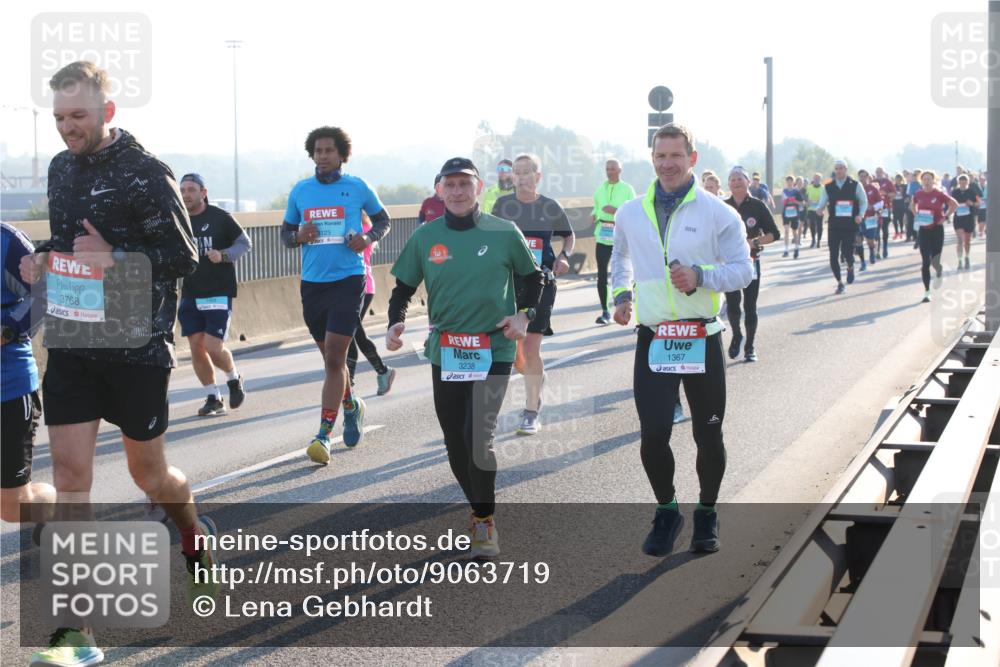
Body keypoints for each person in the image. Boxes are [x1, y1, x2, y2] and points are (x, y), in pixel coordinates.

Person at [21, 61, 219, 666]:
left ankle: (193, 536)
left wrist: (118, 257)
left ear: (108, 112)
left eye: (77, 116)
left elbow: (184, 257)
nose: (66, 128)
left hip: (136, 350)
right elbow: (73, 243)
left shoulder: (146, 171)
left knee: (150, 479)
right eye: (58, 118)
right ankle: (73, 630)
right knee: (73, 481)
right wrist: (46, 261)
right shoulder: (60, 169)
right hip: (74, 344)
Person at [386, 157, 543, 558]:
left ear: (480, 187)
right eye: (450, 184)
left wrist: (523, 315)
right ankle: (477, 506)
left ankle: (484, 519)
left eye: (465, 184)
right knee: (455, 441)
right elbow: (403, 286)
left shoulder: (505, 232)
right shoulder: (426, 237)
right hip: (448, 350)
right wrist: (395, 322)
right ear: (439, 189)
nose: (457, 191)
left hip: (495, 347)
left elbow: (533, 277)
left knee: (479, 438)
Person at [611, 123, 753, 556]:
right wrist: (619, 293)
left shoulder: (717, 212)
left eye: (676, 156)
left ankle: (706, 512)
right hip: (654, 338)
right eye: (660, 156)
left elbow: (744, 270)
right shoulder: (631, 212)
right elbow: (620, 256)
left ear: (692, 158)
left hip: (701, 337)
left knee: (709, 436)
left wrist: (702, 277)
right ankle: (668, 510)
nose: (667, 164)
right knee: (653, 434)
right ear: (651, 159)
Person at [281, 125, 391, 463]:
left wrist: (368, 239)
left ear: (341, 155)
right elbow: (285, 235)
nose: (323, 156)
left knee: (334, 357)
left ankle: (324, 435)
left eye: (329, 150)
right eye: (318, 151)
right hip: (313, 284)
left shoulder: (357, 187)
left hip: (349, 279)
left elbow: (383, 221)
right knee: (332, 360)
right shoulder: (301, 191)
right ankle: (352, 405)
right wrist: (300, 235)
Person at [492, 154, 575, 436]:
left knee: (530, 349)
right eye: (517, 172)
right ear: (511, 177)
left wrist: (564, 256)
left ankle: (531, 410)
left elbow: (569, 235)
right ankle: (535, 378)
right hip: (508, 284)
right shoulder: (503, 206)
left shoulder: (549, 206)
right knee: (516, 355)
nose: (522, 176)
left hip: (540, 283)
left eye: (528, 172)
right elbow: (489, 238)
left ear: (538, 177)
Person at [177, 173, 251, 417]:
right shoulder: (179, 219)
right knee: (196, 347)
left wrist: (224, 255)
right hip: (190, 291)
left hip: (218, 291)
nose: (186, 194)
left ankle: (233, 377)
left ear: (203, 192)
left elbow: (244, 243)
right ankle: (213, 397)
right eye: (183, 190)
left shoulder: (220, 218)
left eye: (191, 189)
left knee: (212, 346)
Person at [1, 223, 56, 524]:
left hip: (8, 387)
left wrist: (7, 330)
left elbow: (43, 294)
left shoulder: (8, 243)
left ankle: (55, 513)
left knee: (13, 507)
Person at [725, 167, 780, 362]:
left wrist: (754, 243)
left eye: (739, 179)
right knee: (732, 305)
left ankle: (750, 347)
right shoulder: (723, 206)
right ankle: (737, 334)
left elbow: (775, 233)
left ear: (748, 181)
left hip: (752, 261)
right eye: (732, 179)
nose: (736, 182)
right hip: (729, 263)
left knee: (750, 305)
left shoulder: (757, 206)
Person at [347, 214, 396, 395]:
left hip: (363, 287)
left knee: (351, 333)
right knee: (354, 333)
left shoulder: (364, 229)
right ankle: (383, 371)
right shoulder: (357, 226)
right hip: (352, 288)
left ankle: (349, 382)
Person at [591, 158, 636, 325]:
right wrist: (593, 216)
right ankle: (605, 311)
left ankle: (626, 304)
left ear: (620, 170)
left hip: (621, 236)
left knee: (623, 273)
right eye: (607, 168)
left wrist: (615, 210)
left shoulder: (627, 189)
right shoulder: (599, 190)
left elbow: (632, 212)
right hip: (603, 235)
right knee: (602, 274)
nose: (609, 171)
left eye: (613, 169)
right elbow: (596, 208)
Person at [815, 159, 868, 294]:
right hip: (834, 225)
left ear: (846, 169)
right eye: (836, 168)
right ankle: (839, 282)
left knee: (847, 253)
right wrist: (819, 209)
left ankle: (850, 266)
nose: (838, 171)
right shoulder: (829, 187)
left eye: (841, 168)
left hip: (850, 225)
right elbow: (822, 202)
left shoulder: (855, 185)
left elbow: (863, 201)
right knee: (833, 255)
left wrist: (860, 215)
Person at [911, 170, 959, 303]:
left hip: (937, 230)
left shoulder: (938, 194)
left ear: (933, 181)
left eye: (929, 179)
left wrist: (945, 217)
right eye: (924, 179)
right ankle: (927, 292)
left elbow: (954, 204)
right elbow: (912, 205)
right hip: (923, 231)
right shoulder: (918, 193)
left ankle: (939, 271)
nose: (926, 181)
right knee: (925, 262)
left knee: (935, 261)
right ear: (921, 181)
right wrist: (916, 215)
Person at [950, 173, 980, 271]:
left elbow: (979, 203)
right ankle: (959, 261)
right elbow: (950, 203)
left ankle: (967, 257)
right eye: (961, 182)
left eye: (964, 181)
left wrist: (972, 203)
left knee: (967, 242)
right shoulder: (955, 192)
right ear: (958, 182)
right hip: (958, 218)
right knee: (959, 240)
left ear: (968, 182)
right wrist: (953, 207)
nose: (962, 183)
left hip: (969, 218)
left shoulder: (972, 191)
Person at [857, 170, 883, 267]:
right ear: (859, 177)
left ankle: (872, 251)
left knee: (870, 241)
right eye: (861, 176)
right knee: (858, 239)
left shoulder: (873, 188)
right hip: (859, 218)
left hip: (871, 217)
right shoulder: (856, 189)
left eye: (864, 176)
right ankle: (863, 261)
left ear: (867, 177)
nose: (863, 178)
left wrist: (872, 207)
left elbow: (881, 202)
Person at [874, 167, 896, 258]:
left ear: (883, 172)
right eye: (877, 172)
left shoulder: (888, 182)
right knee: (876, 230)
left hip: (885, 208)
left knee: (885, 230)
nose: (879, 173)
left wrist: (885, 193)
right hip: (875, 209)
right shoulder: (873, 182)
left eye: (880, 172)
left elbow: (894, 194)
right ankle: (877, 250)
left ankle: (885, 248)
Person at [780, 175, 804, 259]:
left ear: (793, 182)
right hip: (786, 213)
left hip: (794, 214)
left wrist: (795, 201)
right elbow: (782, 202)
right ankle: (786, 250)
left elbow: (802, 203)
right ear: (786, 182)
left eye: (791, 181)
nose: (789, 183)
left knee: (794, 231)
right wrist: (785, 201)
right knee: (786, 230)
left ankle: (796, 248)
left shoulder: (796, 191)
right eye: (788, 181)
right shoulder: (784, 191)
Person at [805, 173, 825, 248]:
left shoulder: (823, 188)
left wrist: (821, 205)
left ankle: (819, 241)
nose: (816, 180)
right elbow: (805, 196)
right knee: (812, 224)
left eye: (818, 178)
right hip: (811, 209)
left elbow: (825, 199)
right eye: (815, 178)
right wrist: (807, 201)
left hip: (819, 209)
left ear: (820, 180)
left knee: (819, 225)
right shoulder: (809, 187)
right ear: (813, 179)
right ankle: (813, 239)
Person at [906, 169, 923, 248]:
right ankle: (916, 239)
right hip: (915, 205)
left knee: (922, 222)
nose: (915, 176)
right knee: (914, 222)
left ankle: (920, 239)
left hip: (923, 205)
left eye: (917, 174)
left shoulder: (923, 183)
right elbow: (910, 195)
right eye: (914, 175)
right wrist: (911, 204)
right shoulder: (911, 184)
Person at [891, 173, 909, 241]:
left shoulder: (904, 186)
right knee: (895, 219)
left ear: (901, 179)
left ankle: (901, 231)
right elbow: (890, 194)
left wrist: (902, 192)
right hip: (895, 203)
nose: (898, 180)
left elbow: (907, 194)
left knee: (901, 219)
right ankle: (896, 232)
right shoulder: (893, 186)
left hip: (902, 203)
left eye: (899, 179)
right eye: (896, 179)